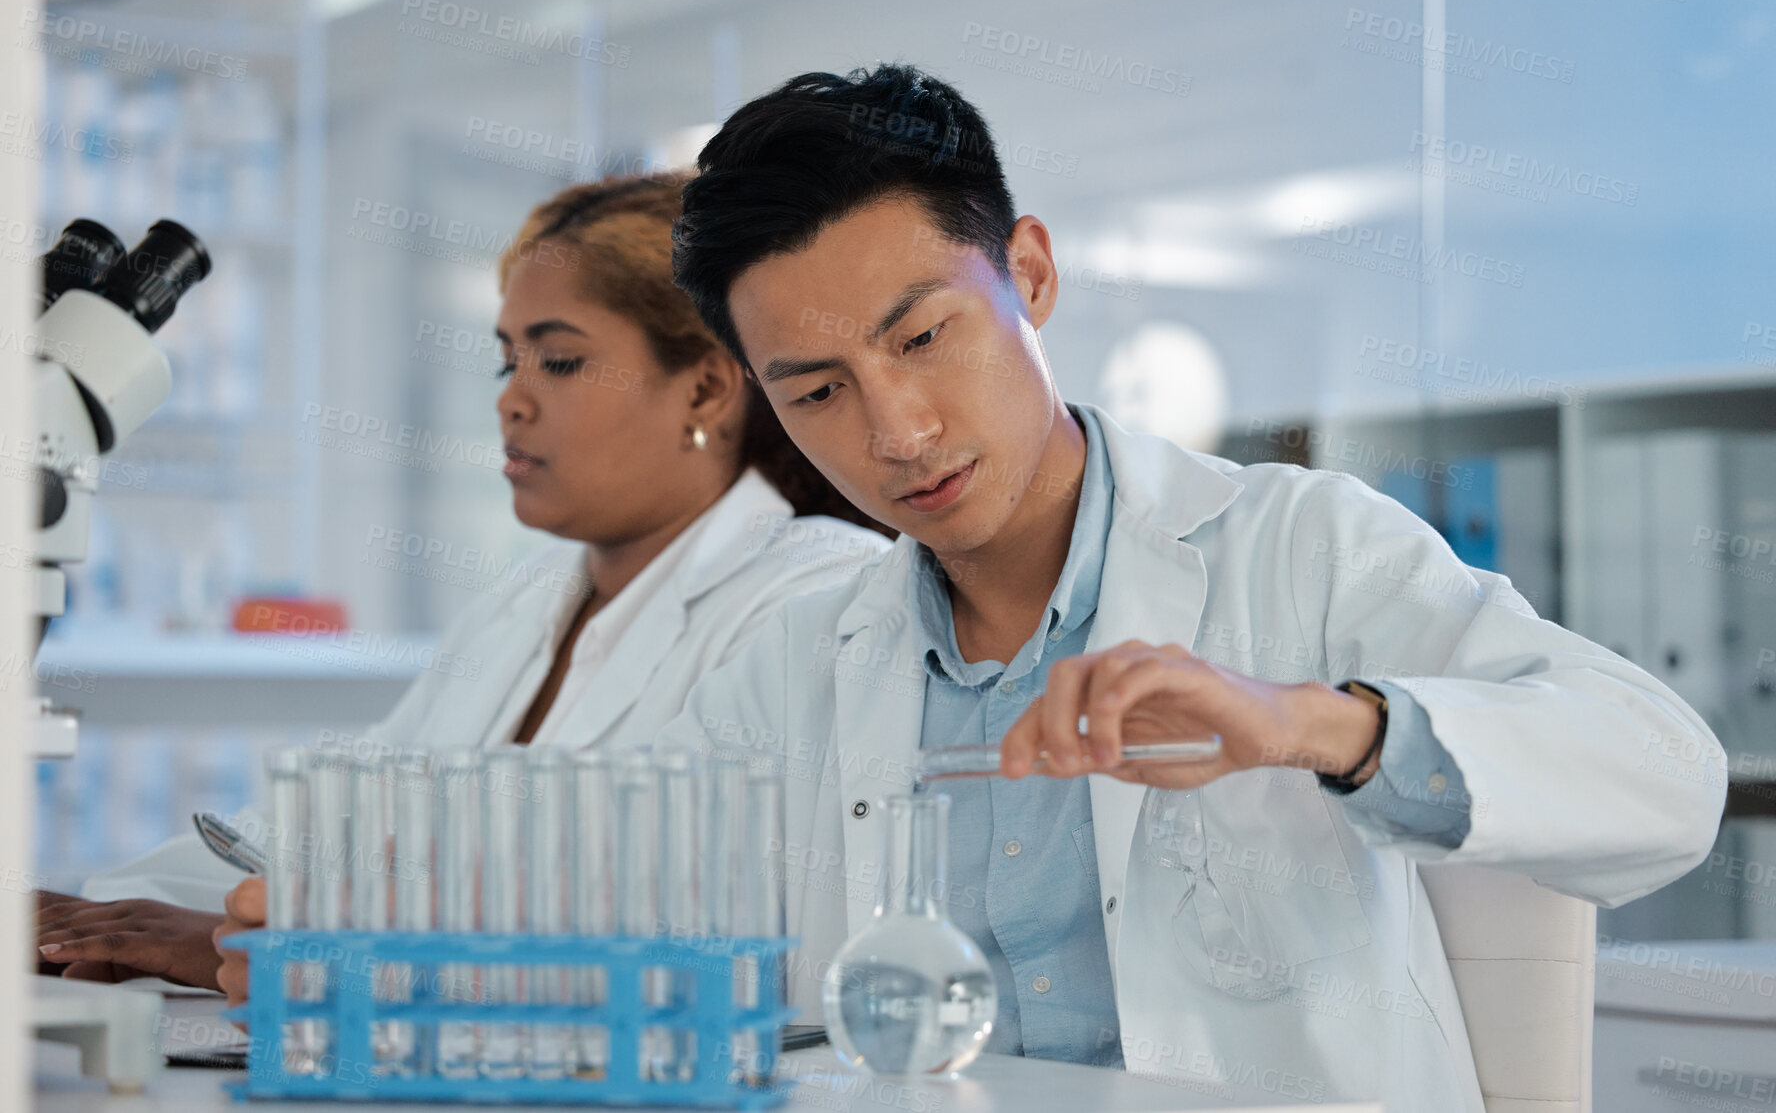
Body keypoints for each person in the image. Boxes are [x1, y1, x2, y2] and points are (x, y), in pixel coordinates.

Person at [652, 65, 1727, 1109]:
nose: (898, 432)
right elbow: (670, 988)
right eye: (820, 391)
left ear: (1028, 275)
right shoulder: (781, 671)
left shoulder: (1305, 549)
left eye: (925, 337)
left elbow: (1670, 780)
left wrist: (1309, 725)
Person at [34, 173, 891, 993]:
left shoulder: (815, 591)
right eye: (505, 362)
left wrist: (266, 935)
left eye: (556, 362)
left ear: (705, 387)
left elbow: (678, 919)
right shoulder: (530, 599)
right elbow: (318, 835)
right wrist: (98, 907)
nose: (510, 401)